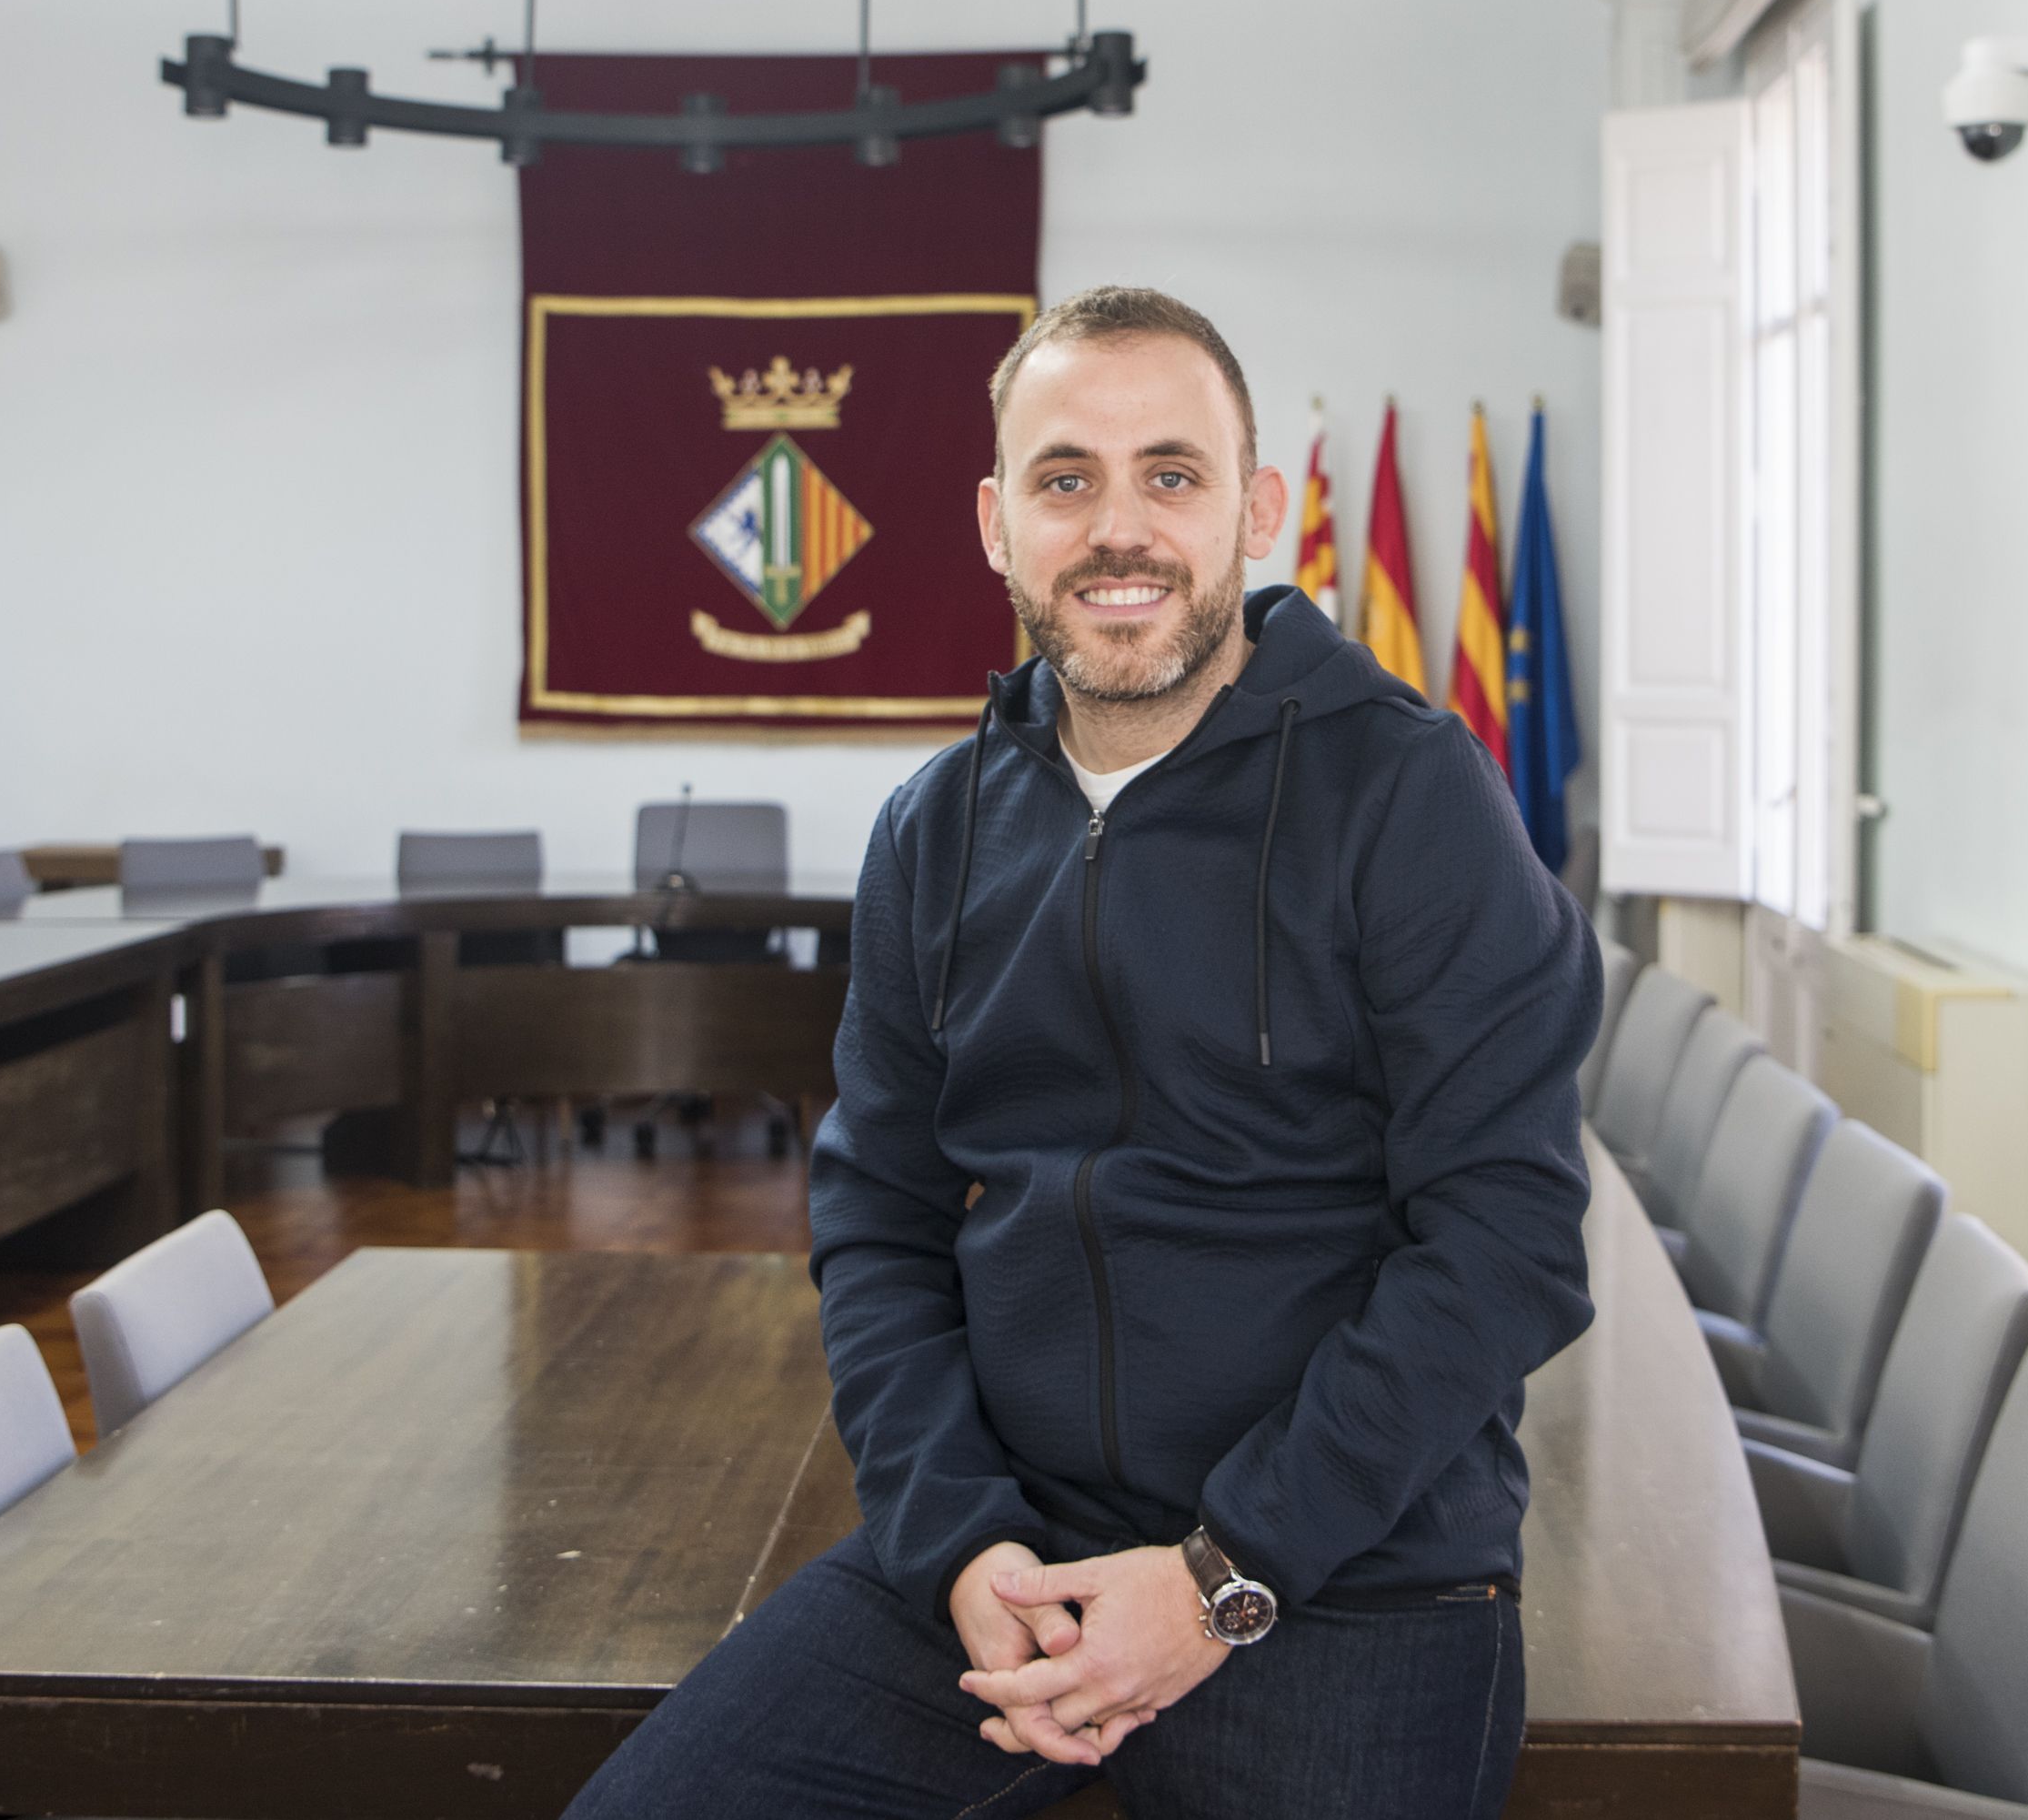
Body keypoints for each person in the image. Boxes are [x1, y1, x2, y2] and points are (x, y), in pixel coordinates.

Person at [567, 287, 1599, 1820]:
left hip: (1347, 1572)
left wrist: (1219, 1578)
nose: (1119, 528)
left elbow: (1507, 1242)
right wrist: (959, 1542)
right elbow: (877, 1221)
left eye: (1170, 475)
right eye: (1067, 479)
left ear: (1257, 510)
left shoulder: (1410, 794)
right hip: (1017, 1554)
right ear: (997, 522)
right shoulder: (936, 827)